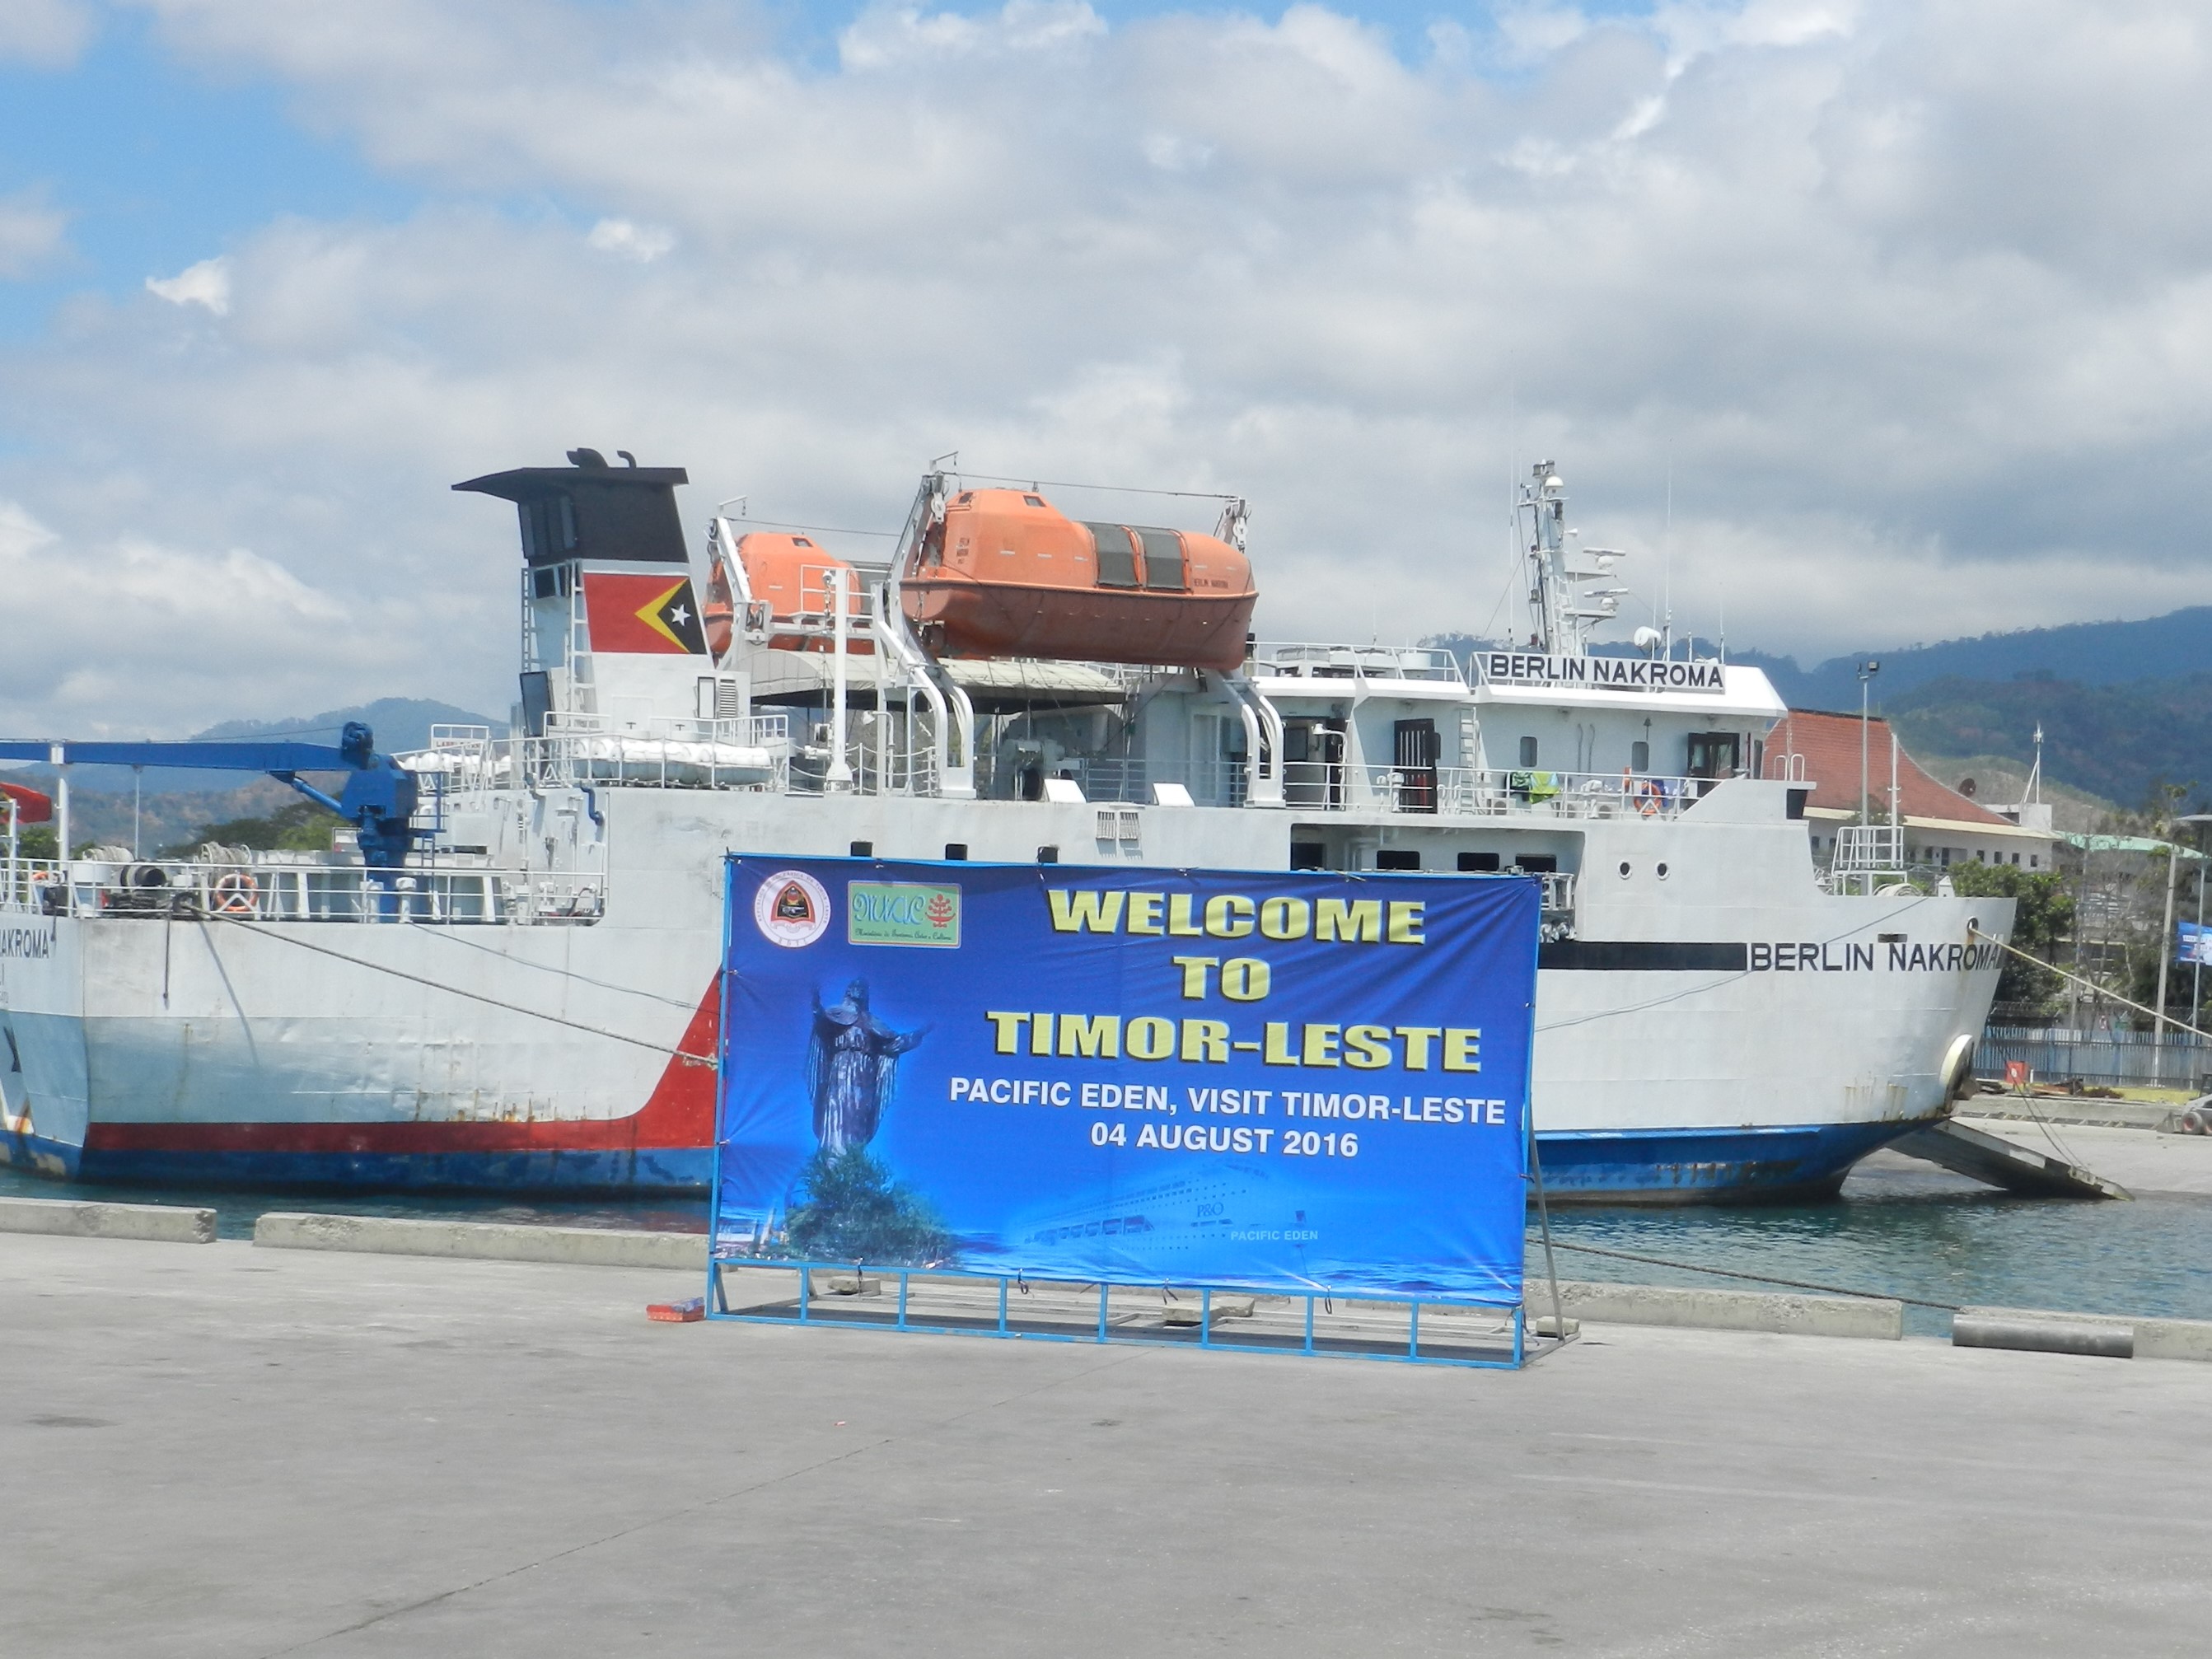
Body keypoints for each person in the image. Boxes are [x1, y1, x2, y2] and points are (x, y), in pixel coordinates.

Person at [806, 980, 928, 1153]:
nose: (859, 991)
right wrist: (816, 1004)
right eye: (855, 988)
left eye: (862, 989)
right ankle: (833, 1155)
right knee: (837, 1109)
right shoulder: (836, 1013)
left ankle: (853, 1155)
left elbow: (893, 1043)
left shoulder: (872, 1022)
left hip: (864, 1073)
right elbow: (822, 1022)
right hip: (841, 1068)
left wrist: (920, 1032)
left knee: (858, 1112)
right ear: (848, 991)